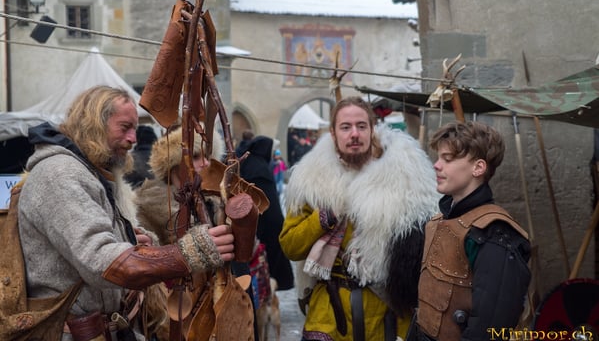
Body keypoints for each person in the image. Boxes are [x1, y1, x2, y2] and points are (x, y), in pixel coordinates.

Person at [17, 86, 235, 340]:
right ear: (94, 124)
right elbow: (100, 260)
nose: (133, 139)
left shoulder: (86, 173)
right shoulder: (59, 174)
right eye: (124, 127)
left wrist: (130, 240)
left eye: (134, 129)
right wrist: (189, 253)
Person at [279, 96, 440, 341]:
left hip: (388, 313)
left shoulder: (405, 177)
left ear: (372, 129)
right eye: (346, 127)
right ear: (333, 134)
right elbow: (290, 246)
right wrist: (324, 216)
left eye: (361, 126)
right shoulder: (312, 181)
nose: (354, 134)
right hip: (330, 313)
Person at [417, 121, 531, 341]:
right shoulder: (439, 221)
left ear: (478, 168)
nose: (436, 165)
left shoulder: (494, 233)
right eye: (438, 158)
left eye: (448, 159)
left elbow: (491, 328)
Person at [237, 135, 295, 292]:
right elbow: (270, 203)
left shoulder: (249, 164)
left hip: (253, 222)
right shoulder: (260, 168)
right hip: (266, 222)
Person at [123, 124, 158, 188]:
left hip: (135, 193)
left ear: (137, 139)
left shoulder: (129, 160)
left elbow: (124, 184)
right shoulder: (163, 158)